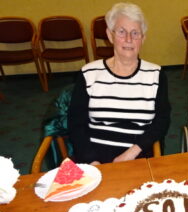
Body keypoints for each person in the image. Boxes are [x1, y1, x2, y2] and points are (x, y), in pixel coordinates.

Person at [68, 2, 170, 164]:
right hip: (94, 157)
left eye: (135, 33)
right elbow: (76, 124)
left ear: (143, 38)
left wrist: (132, 153)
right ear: (110, 35)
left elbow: (161, 121)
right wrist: (91, 160)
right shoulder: (89, 73)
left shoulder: (155, 75)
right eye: (122, 32)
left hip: (137, 157)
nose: (129, 39)